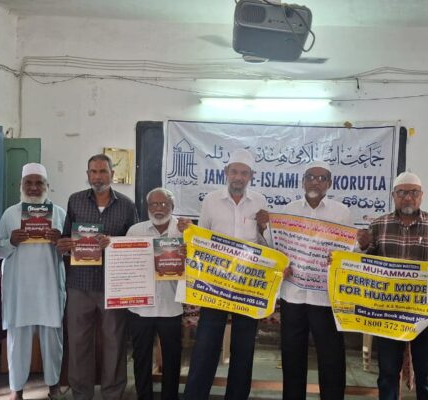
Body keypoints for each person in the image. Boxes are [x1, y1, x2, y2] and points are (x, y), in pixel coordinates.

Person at [357, 171, 428, 400]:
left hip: (426, 315)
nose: (408, 197)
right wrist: (362, 247)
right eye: (402, 192)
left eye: (413, 192)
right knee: (387, 374)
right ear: (393, 195)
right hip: (387, 314)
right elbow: (364, 264)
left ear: (421, 195)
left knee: (427, 377)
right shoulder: (378, 225)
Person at [183, 148, 269, 400]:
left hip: (247, 288)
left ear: (251, 176)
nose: (238, 177)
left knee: (244, 349)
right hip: (215, 285)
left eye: (244, 173)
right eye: (234, 172)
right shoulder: (211, 200)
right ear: (226, 173)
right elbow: (201, 239)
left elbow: (266, 246)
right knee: (206, 346)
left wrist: (265, 226)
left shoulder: (260, 202)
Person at [56, 154, 138, 400]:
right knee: (78, 341)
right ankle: (81, 393)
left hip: (112, 285)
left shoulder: (127, 205)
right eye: (93, 171)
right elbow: (65, 237)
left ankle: (113, 393)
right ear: (88, 174)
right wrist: (63, 244)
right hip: (79, 283)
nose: (98, 177)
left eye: (103, 171)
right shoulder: (75, 200)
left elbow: (134, 244)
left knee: (115, 341)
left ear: (113, 174)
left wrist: (113, 242)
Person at [278, 161, 351, 400]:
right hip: (293, 296)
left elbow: (349, 251)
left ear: (329, 183)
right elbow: (279, 247)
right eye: (310, 177)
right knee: (292, 357)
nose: (315, 182)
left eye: (321, 178)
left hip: (325, 297)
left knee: (331, 359)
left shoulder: (341, 212)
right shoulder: (288, 210)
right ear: (303, 181)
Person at [0, 163, 66, 400]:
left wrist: (60, 241)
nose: (34, 188)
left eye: (39, 183)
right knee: (17, 342)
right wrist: (11, 242)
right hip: (19, 290)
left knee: (53, 341)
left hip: (49, 288)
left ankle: (54, 386)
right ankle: (16, 390)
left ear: (47, 186)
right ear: (21, 185)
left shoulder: (59, 213)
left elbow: (70, 251)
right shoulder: (10, 214)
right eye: (29, 183)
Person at [126, 187, 184, 400]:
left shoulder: (185, 231)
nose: (159, 208)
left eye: (164, 204)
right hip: (141, 308)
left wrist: (189, 255)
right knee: (141, 358)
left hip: (171, 306)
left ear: (172, 207)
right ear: (147, 206)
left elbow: (198, 265)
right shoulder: (135, 231)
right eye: (154, 204)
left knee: (172, 359)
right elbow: (125, 266)